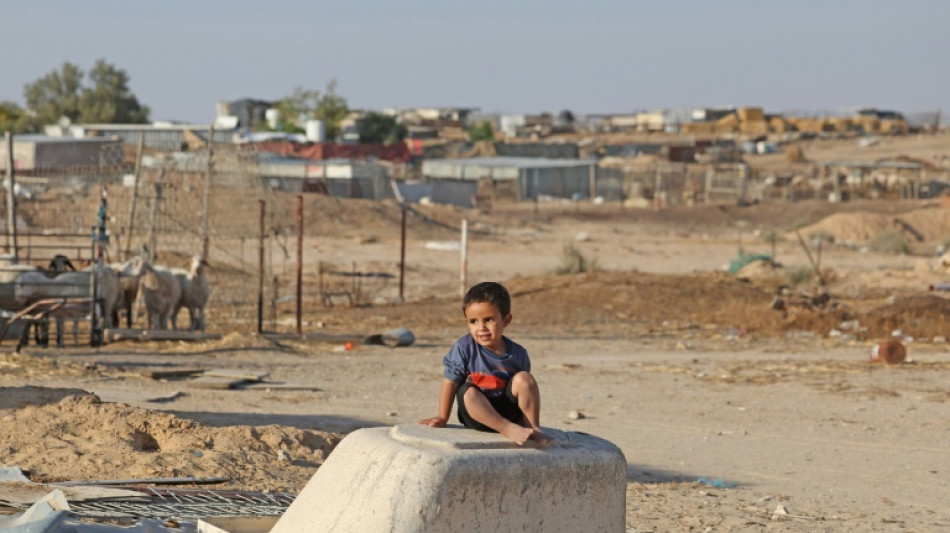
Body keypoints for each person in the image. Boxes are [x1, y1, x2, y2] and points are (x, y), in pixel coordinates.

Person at [419, 282, 551, 446]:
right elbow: (450, 382)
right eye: (473, 321)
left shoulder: (519, 354)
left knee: (525, 378)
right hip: (477, 416)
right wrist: (442, 417)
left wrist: (527, 422)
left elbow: (526, 392)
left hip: (508, 411)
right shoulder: (464, 348)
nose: (481, 328)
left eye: (489, 320)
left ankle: (533, 428)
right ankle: (506, 429)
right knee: (467, 391)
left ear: (506, 320)